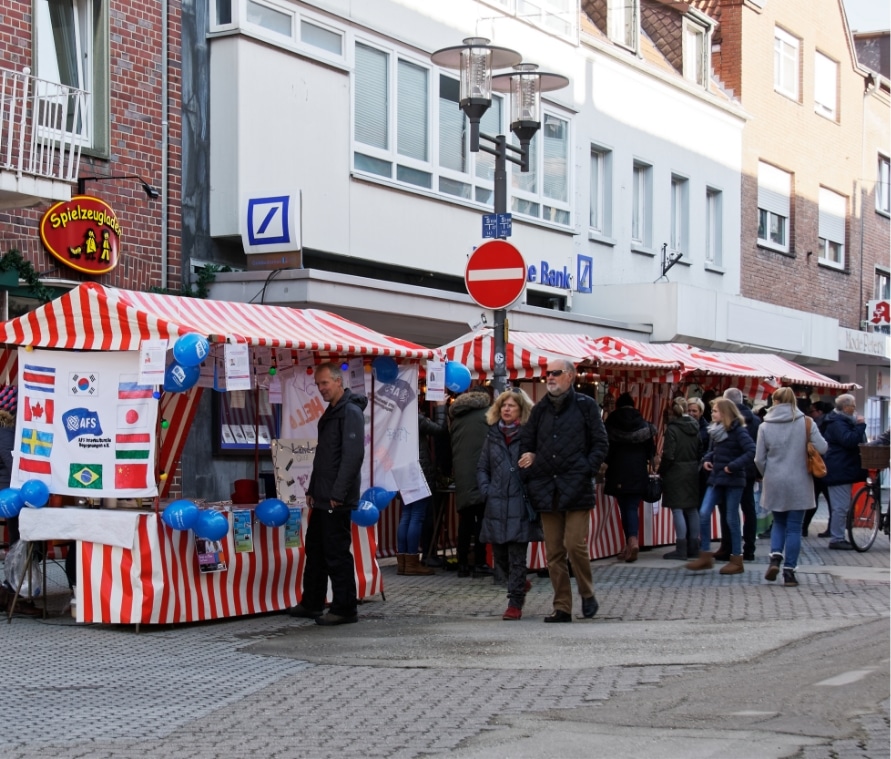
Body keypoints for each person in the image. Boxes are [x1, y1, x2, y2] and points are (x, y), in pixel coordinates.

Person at [519, 360, 609, 622]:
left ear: (570, 376)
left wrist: (587, 469)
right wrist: (529, 456)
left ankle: (587, 592)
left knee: (574, 544)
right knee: (554, 552)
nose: (550, 377)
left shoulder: (585, 405)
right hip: (547, 487)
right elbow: (528, 441)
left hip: (577, 486)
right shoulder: (540, 410)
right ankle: (562, 607)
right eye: (548, 374)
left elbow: (601, 442)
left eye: (555, 373)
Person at [290, 362, 367, 626]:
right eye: (318, 384)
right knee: (316, 549)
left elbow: (353, 456)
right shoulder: (332, 411)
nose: (321, 388)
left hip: (336, 497)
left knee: (336, 552)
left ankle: (345, 608)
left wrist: (338, 492)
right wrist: (313, 488)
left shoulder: (350, 412)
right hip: (323, 494)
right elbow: (324, 456)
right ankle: (312, 602)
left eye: (324, 383)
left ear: (338, 381)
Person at [477, 388, 542, 620]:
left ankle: (515, 603)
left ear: (521, 410)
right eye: (503, 405)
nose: (506, 409)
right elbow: (482, 467)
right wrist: (486, 490)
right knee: (500, 558)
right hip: (495, 503)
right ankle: (519, 582)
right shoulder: (492, 435)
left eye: (512, 405)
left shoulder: (528, 435)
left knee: (516, 558)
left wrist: (533, 461)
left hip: (519, 503)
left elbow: (541, 465)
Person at [755, 387, 828, 587]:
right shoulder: (806, 422)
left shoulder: (765, 426)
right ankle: (789, 572)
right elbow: (822, 447)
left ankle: (775, 557)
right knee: (794, 527)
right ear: (794, 401)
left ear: (775, 401)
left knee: (778, 522)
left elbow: (759, 458)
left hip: (774, 480)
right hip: (800, 480)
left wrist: (766, 474)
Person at [686, 398, 756, 575]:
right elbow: (715, 451)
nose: (712, 414)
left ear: (724, 413)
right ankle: (705, 554)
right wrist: (707, 460)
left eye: (715, 411)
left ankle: (737, 558)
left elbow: (751, 451)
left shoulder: (738, 431)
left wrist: (733, 466)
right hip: (717, 478)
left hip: (733, 479)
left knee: (731, 518)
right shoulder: (717, 431)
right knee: (704, 512)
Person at [603, 392, 656, 563]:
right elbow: (651, 451)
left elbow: (606, 449)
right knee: (632, 506)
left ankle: (630, 542)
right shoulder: (643, 423)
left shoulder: (611, 422)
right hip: (638, 470)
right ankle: (632, 541)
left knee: (624, 508)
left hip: (618, 470)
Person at [396, 402, 447, 576]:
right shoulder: (414, 417)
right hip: (417, 470)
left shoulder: (394, 418)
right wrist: (440, 407)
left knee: (406, 516)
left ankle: (403, 562)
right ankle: (411, 562)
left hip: (400, 468)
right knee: (416, 516)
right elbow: (440, 429)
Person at [449, 386, 493, 578]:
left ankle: (462, 564)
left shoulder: (456, 417)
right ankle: (480, 562)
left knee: (465, 520)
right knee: (482, 519)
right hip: (481, 471)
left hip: (461, 473)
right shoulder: (488, 415)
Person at [716, 387, 760, 561]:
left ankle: (728, 547)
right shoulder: (756, 421)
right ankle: (749, 548)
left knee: (728, 510)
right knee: (749, 509)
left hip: (730, 471)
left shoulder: (728, 420)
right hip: (749, 471)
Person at [821, 393, 867, 551]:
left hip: (841, 467)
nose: (854, 409)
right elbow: (848, 440)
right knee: (840, 507)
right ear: (846, 407)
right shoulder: (837, 422)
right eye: (853, 406)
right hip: (839, 468)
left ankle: (838, 536)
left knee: (841, 506)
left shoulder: (839, 421)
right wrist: (860, 426)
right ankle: (837, 538)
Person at [659, 397, 702, 560]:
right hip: (692, 470)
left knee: (677, 509)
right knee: (692, 509)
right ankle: (693, 547)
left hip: (676, 471)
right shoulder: (695, 427)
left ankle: (681, 548)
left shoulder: (672, 429)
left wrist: (662, 470)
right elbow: (700, 450)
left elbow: (669, 455)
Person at [803, 401, 834, 537]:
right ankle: (831, 529)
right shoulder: (829, 422)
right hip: (829, 467)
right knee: (830, 502)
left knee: (813, 500)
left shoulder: (819, 424)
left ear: (820, 412)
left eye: (812, 411)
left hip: (819, 466)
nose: (810, 414)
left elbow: (821, 446)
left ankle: (803, 528)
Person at [0, 409, 18, 547]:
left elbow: (8, 458)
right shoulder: (6, 431)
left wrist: (18, 478)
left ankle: (16, 558)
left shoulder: (4, 431)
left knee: (14, 525)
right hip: (7, 484)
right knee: (13, 524)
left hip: (8, 484)